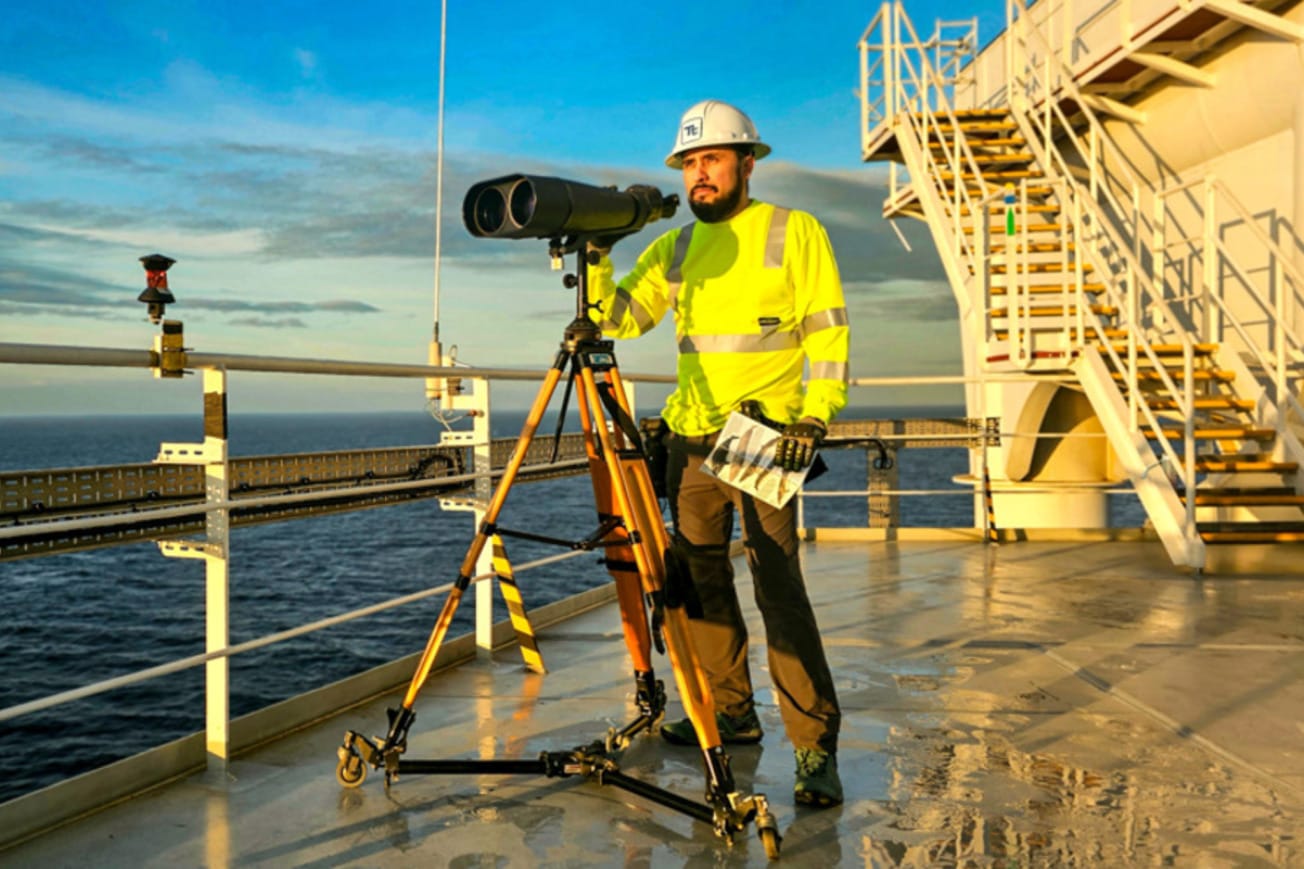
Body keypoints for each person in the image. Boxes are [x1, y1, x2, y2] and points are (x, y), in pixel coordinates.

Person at [586, 99, 850, 808]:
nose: (698, 175)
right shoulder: (674, 248)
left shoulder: (795, 232)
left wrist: (817, 417)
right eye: (689, 163)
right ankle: (732, 713)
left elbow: (827, 334)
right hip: (692, 441)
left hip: (765, 436)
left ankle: (814, 745)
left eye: (711, 160)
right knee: (701, 583)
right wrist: (596, 254)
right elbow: (617, 319)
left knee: (778, 589)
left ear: (747, 163)